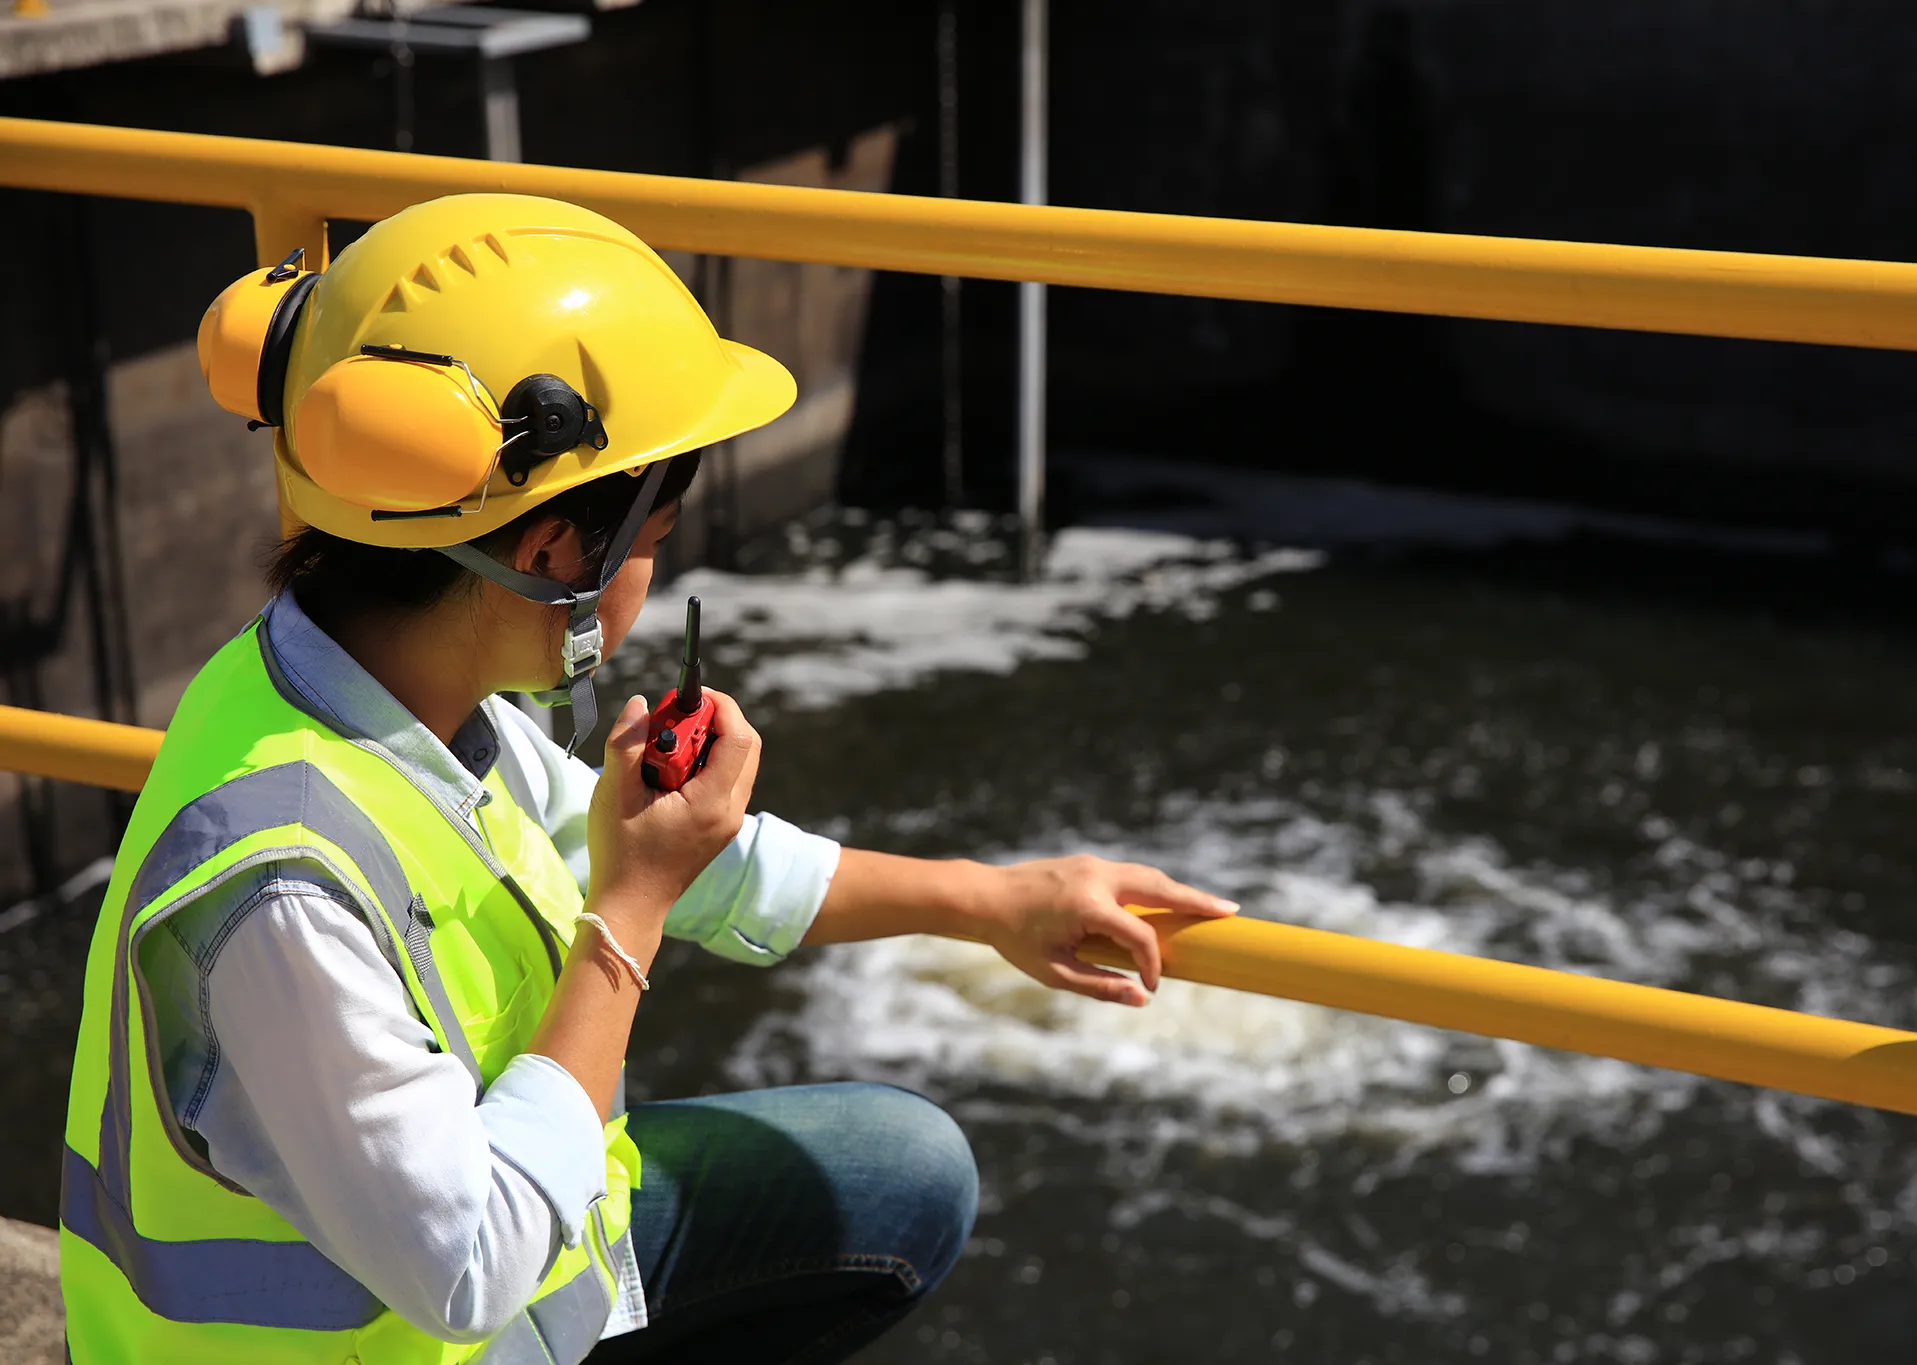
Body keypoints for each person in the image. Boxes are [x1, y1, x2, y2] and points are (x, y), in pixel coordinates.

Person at [55, 193, 1237, 1365]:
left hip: (480, 1293)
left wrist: (995, 901)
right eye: (654, 541)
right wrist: (629, 912)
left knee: (900, 1168)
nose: (654, 572)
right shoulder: (281, 895)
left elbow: (669, 853)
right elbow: (464, 1264)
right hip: (421, 1325)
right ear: (551, 553)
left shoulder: (365, 690)